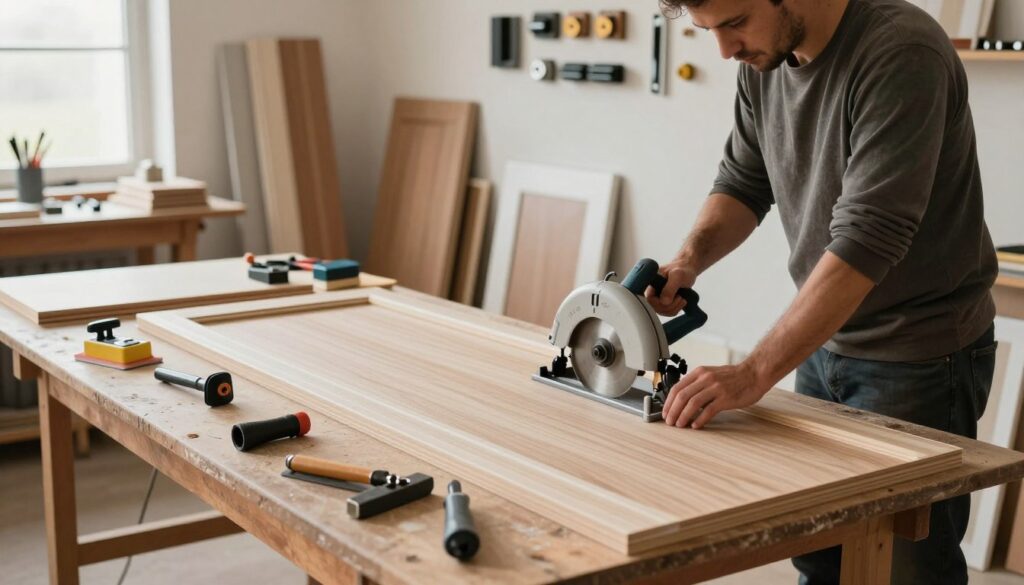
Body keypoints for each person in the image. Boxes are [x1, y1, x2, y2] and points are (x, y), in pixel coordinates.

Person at [648, 0, 998, 583]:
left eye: (733, 23)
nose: (725, 50)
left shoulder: (901, 51)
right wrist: (688, 261)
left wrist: (754, 371)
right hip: (826, 340)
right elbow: (743, 180)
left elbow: (869, 238)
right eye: (709, 31)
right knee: (822, 551)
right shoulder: (764, 61)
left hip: (918, 354)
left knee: (905, 568)